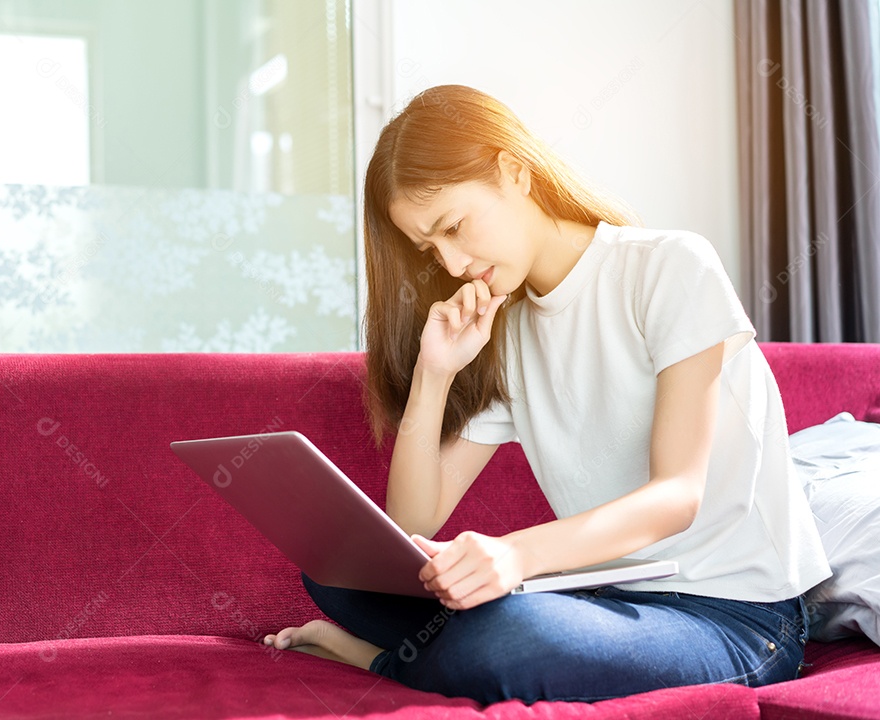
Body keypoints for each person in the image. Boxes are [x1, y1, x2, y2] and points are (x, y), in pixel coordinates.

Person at [262, 84, 831, 705]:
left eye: (454, 227)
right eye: (431, 248)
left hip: (736, 618)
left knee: (510, 636)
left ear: (513, 170)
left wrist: (515, 556)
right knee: (341, 572)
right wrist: (435, 373)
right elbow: (413, 521)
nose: (452, 264)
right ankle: (444, 652)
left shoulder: (671, 267)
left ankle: (382, 660)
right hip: (600, 604)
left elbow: (676, 497)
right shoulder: (505, 328)